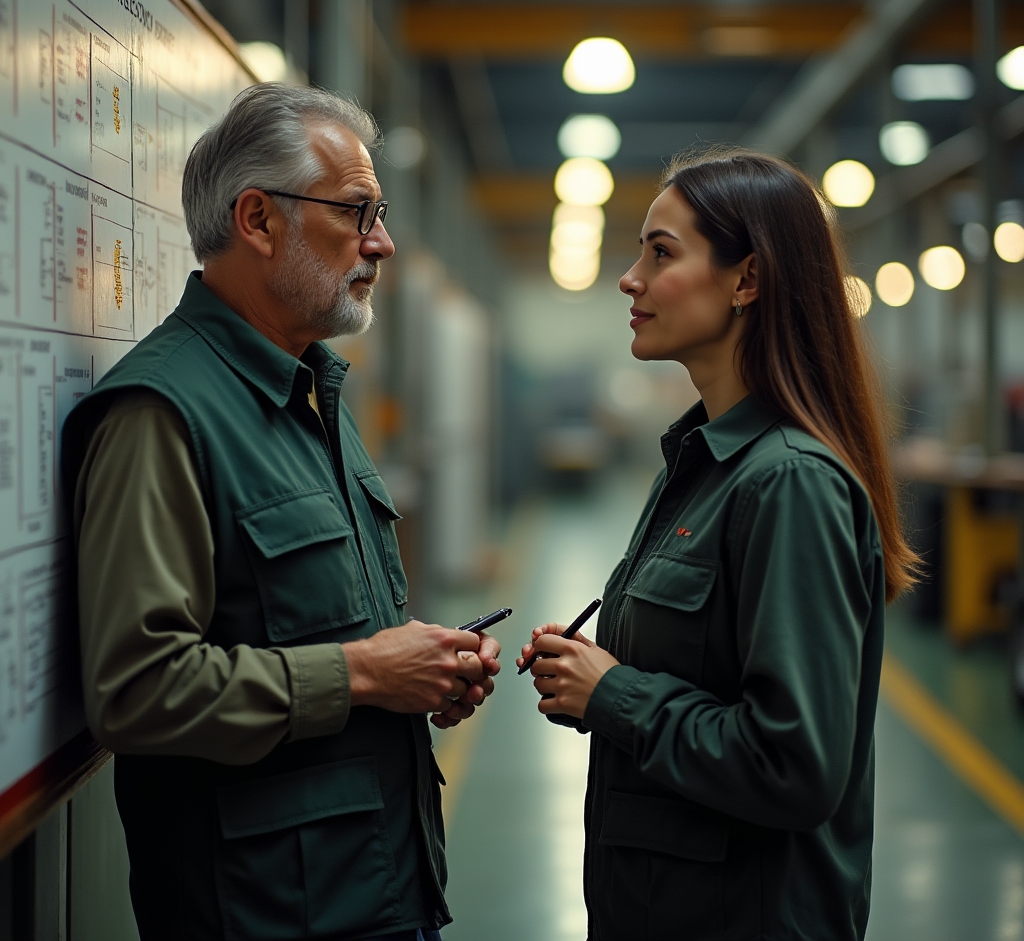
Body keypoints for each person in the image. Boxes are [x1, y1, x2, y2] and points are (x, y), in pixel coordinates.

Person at [61, 82, 500, 941]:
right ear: (258, 220)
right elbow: (139, 691)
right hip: (263, 912)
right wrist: (369, 673)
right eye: (356, 211)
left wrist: (419, 673)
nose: (383, 242)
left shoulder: (313, 394)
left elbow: (321, 630)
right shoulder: (163, 413)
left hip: (373, 887)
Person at [518, 148, 918, 941]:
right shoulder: (703, 464)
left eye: (660, 253)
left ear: (747, 280)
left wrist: (617, 696)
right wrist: (592, 674)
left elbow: (794, 766)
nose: (629, 279)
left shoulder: (788, 483)